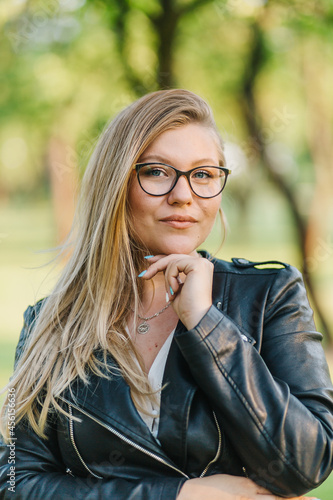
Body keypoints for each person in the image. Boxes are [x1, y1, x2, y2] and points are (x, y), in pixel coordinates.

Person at [0, 89, 332, 500]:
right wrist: (182, 495)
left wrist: (206, 324)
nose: (183, 194)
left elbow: (309, 462)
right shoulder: (49, 322)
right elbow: (15, 482)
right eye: (157, 172)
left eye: (204, 174)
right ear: (116, 184)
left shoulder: (268, 296)